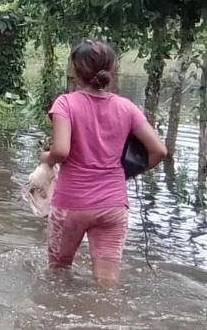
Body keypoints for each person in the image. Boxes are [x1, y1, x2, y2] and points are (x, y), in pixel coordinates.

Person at [39, 40, 166, 285]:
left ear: (75, 69)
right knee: (107, 283)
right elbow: (159, 150)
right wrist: (123, 174)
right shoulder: (126, 107)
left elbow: (62, 150)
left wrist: (47, 157)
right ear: (112, 70)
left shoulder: (66, 103)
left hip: (72, 203)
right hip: (113, 205)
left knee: (58, 273)